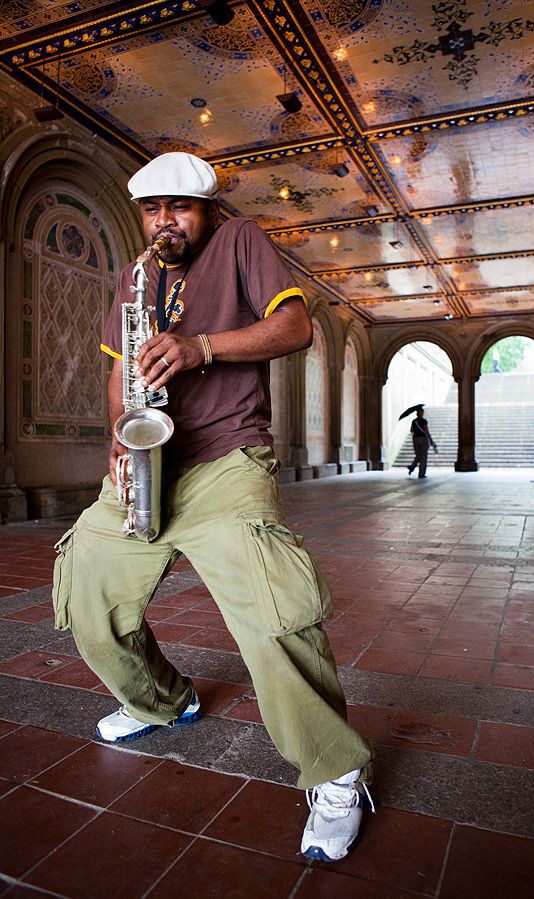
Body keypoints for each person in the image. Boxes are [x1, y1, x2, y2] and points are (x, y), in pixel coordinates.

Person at [52, 152, 373, 862]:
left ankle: (336, 770)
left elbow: (295, 329)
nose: (164, 222)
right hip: (150, 460)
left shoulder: (240, 240)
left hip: (226, 459)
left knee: (272, 608)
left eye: (180, 208)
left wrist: (201, 347)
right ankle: (162, 701)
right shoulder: (134, 276)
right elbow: (119, 367)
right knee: (85, 584)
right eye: (152, 210)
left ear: (209, 211)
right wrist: (119, 437)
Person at [407, 405, 437, 478]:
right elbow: (426, 431)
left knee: (418, 455)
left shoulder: (414, 421)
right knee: (423, 456)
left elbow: (411, 430)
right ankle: (421, 473)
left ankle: (412, 467)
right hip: (423, 439)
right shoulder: (424, 421)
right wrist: (431, 440)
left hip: (415, 439)